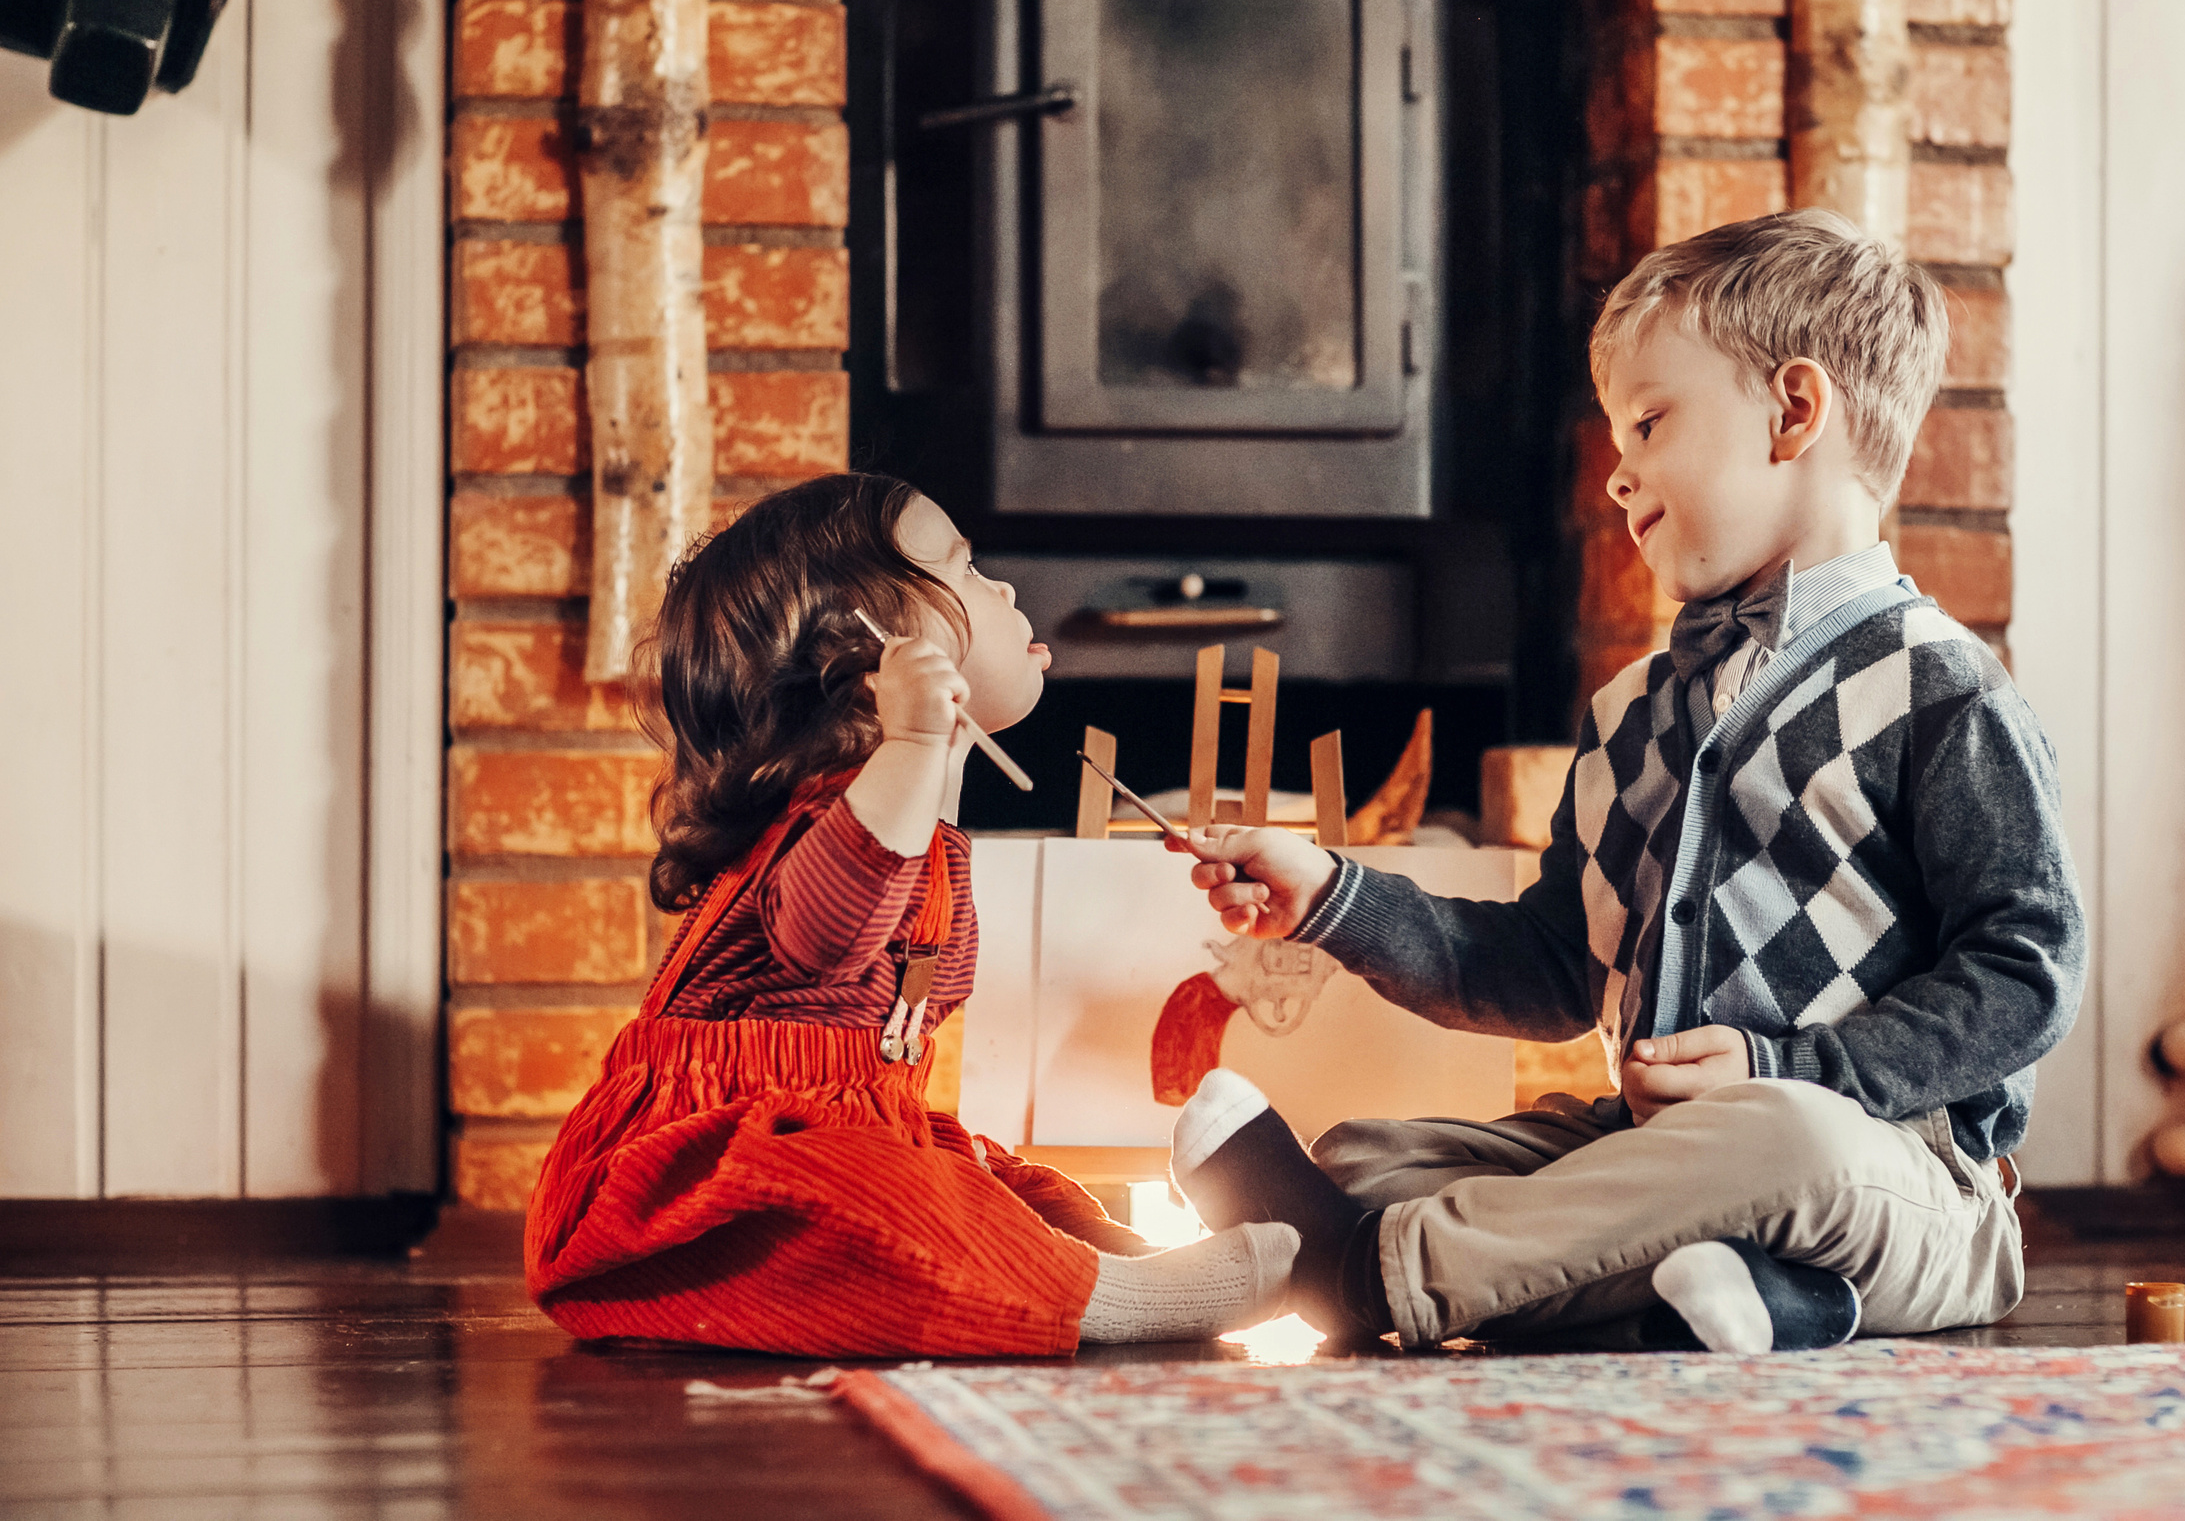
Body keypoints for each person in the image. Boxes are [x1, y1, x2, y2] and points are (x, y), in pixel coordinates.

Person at [1167, 209, 2088, 1353]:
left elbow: (2028, 965)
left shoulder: (1941, 690)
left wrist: (1785, 1069)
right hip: (1650, 1160)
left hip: (1894, 1176)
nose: (1618, 477)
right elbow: (1545, 968)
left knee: (1776, 1144)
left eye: (1648, 423)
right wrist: (1333, 895)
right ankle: (1729, 1299)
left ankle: (1360, 1276)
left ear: (1793, 412)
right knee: (1371, 1153)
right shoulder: (1631, 712)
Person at [524, 473, 1295, 1357]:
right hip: (716, 1180)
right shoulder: (832, 815)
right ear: (873, 655)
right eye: (966, 571)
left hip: (857, 1122)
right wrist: (919, 741)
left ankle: (1100, 1268)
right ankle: (1115, 1301)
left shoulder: (914, 824)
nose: (1004, 591)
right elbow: (829, 940)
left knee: (1000, 1189)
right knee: (887, 1204)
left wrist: (939, 753)